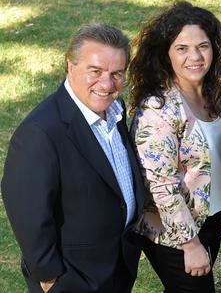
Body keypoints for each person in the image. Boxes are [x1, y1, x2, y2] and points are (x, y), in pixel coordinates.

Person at [2, 23, 145, 293]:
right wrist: (49, 277)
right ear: (70, 65)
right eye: (96, 71)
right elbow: (28, 214)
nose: (107, 84)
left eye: (117, 74)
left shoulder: (115, 109)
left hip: (116, 266)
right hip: (73, 277)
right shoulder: (40, 132)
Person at [128, 1, 221, 292]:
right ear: (166, 54)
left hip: (210, 218)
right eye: (182, 48)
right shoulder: (157, 109)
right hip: (175, 232)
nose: (195, 57)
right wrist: (190, 244)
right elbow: (160, 185)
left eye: (202, 46)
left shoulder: (217, 92)